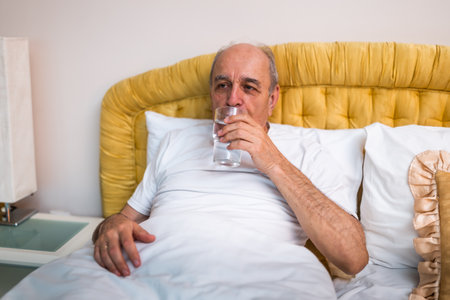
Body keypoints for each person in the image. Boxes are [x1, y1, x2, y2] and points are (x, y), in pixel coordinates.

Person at [92, 42, 369, 279]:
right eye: (223, 85)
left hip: (256, 276)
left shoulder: (307, 151)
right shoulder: (175, 141)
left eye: (249, 87)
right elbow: (121, 220)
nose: (232, 99)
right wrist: (111, 227)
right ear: (212, 93)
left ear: (272, 99)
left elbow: (353, 258)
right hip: (152, 268)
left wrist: (272, 161)